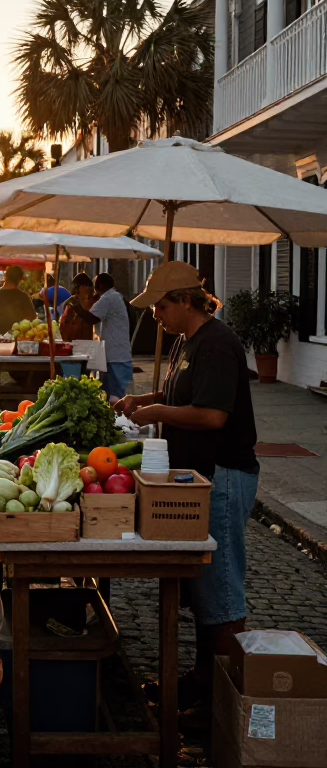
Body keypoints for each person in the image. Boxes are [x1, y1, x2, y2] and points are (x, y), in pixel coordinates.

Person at [114, 260, 259, 709]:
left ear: (183, 301)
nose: (154, 314)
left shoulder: (216, 343)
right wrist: (147, 398)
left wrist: (156, 415)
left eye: (159, 305)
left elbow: (212, 415)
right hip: (197, 477)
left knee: (222, 589)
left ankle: (226, 701)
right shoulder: (185, 341)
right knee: (203, 586)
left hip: (223, 476)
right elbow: (182, 394)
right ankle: (200, 684)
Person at [81, 272, 133, 399]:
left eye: (95, 285)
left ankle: (120, 418)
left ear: (101, 285)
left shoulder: (108, 298)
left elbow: (91, 318)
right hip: (113, 356)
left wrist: (75, 306)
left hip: (115, 358)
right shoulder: (114, 297)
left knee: (115, 399)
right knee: (107, 397)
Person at [0, 264, 37, 337]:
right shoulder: (24, 297)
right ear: (19, 279)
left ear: (5, 277)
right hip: (17, 339)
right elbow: (32, 319)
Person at [59, 273, 95, 341]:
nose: (90, 290)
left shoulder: (93, 303)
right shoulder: (70, 303)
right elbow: (63, 327)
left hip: (86, 344)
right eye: (85, 287)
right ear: (81, 288)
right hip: (73, 344)